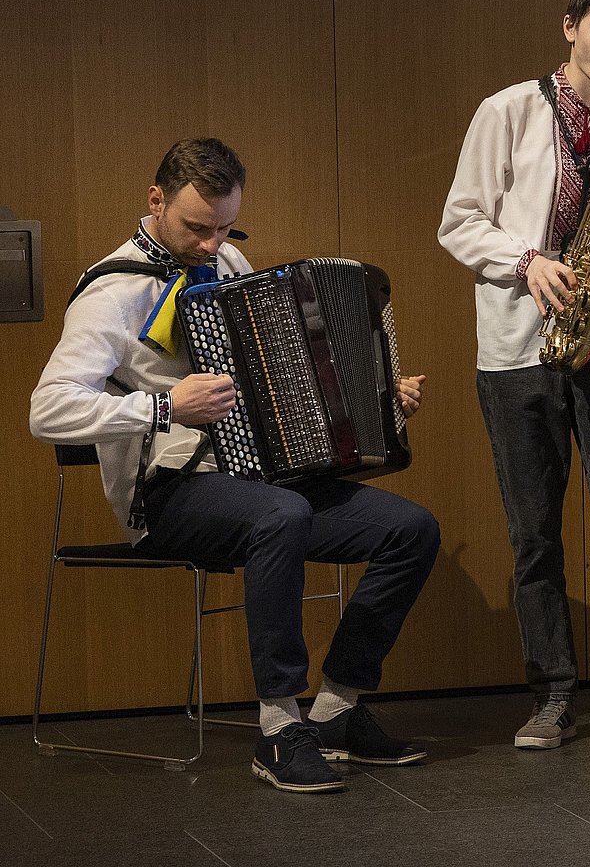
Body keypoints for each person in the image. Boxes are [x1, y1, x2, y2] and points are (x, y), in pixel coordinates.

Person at [30, 137, 441, 794]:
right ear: (155, 199)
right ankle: (279, 729)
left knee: (410, 530)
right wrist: (166, 405)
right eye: (197, 227)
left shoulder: (226, 262)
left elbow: (280, 374)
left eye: (224, 228)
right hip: (168, 494)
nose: (211, 244)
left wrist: (376, 397)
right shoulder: (111, 293)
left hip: (262, 480)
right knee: (283, 514)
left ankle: (336, 710)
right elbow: (48, 410)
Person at [439, 0, 590, 750]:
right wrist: (526, 261)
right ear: (570, 26)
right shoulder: (507, 110)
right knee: (534, 535)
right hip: (518, 342)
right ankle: (550, 697)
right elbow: (458, 221)